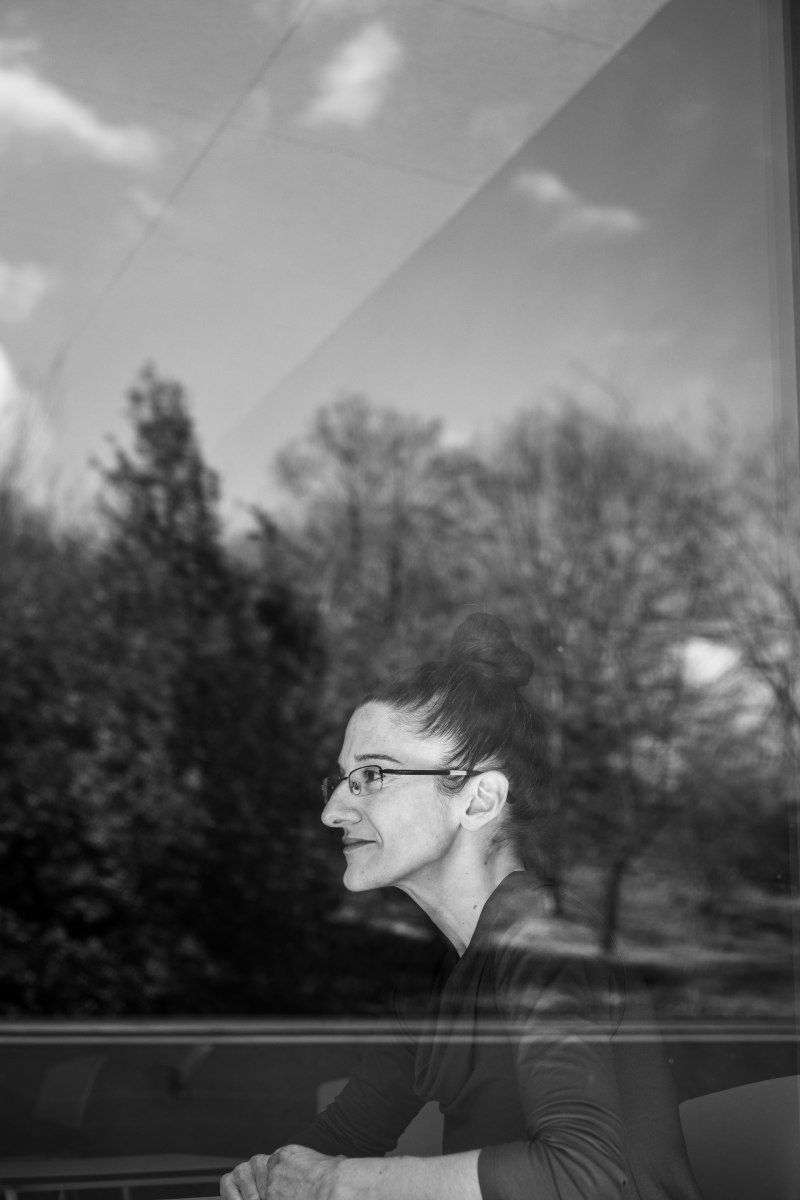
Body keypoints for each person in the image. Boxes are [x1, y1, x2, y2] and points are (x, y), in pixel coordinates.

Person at [220, 614, 703, 1200]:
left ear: (479, 799)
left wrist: (338, 1183)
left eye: (371, 775)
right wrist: (265, 1178)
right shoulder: (436, 982)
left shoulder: (548, 944)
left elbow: (584, 1177)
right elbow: (342, 1138)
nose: (332, 811)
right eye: (341, 780)